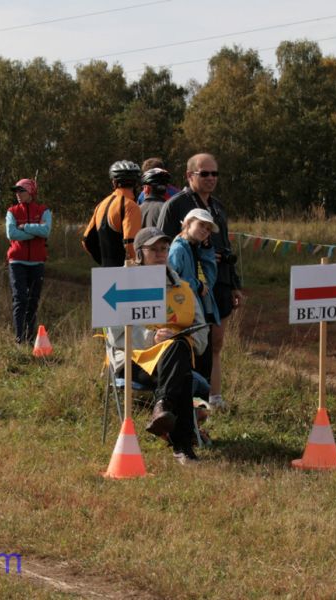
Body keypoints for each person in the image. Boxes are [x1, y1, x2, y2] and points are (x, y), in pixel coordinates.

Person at [105, 227, 209, 464]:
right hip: (132, 360)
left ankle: (163, 406)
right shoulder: (122, 283)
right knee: (183, 373)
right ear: (139, 254)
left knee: (179, 350)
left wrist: (185, 339)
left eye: (164, 248)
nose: (161, 254)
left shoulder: (182, 287)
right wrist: (150, 338)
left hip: (173, 358)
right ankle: (182, 446)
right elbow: (115, 335)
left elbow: (202, 329)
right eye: (154, 249)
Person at [157, 153, 242, 409]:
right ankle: (181, 398)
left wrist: (236, 283)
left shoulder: (218, 207)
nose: (211, 178)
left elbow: (226, 244)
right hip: (184, 287)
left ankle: (213, 397)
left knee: (215, 341)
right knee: (187, 342)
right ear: (189, 175)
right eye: (204, 173)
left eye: (215, 173)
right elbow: (160, 245)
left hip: (220, 282)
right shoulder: (174, 205)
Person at [168, 208, 221, 396]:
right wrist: (195, 284)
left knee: (204, 360)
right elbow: (172, 278)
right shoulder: (178, 248)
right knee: (196, 362)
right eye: (201, 226)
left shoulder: (195, 247)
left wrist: (207, 250)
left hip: (201, 309)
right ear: (188, 223)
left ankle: (200, 409)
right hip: (187, 312)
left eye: (208, 229)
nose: (204, 231)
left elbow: (210, 279)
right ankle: (194, 409)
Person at [5, 178, 51, 345]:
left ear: (31, 191)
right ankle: (19, 339)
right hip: (17, 261)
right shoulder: (12, 211)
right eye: (16, 191)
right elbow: (11, 234)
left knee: (33, 300)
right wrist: (35, 231)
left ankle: (30, 339)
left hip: (37, 262)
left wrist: (25, 227)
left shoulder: (43, 210)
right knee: (20, 299)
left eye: (21, 191)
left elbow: (46, 231)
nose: (18, 194)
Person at [82, 160, 142, 267]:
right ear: (135, 184)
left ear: (114, 183)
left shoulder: (101, 205)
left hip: (106, 269)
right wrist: (140, 264)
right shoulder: (131, 206)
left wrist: (103, 261)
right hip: (126, 272)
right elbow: (130, 243)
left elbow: (86, 241)